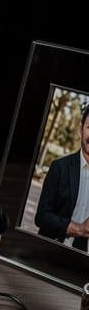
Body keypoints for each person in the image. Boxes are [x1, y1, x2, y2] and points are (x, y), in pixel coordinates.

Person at [35, 105, 89, 250]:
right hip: (54, 250)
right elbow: (42, 216)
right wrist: (79, 229)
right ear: (80, 130)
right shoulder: (59, 167)